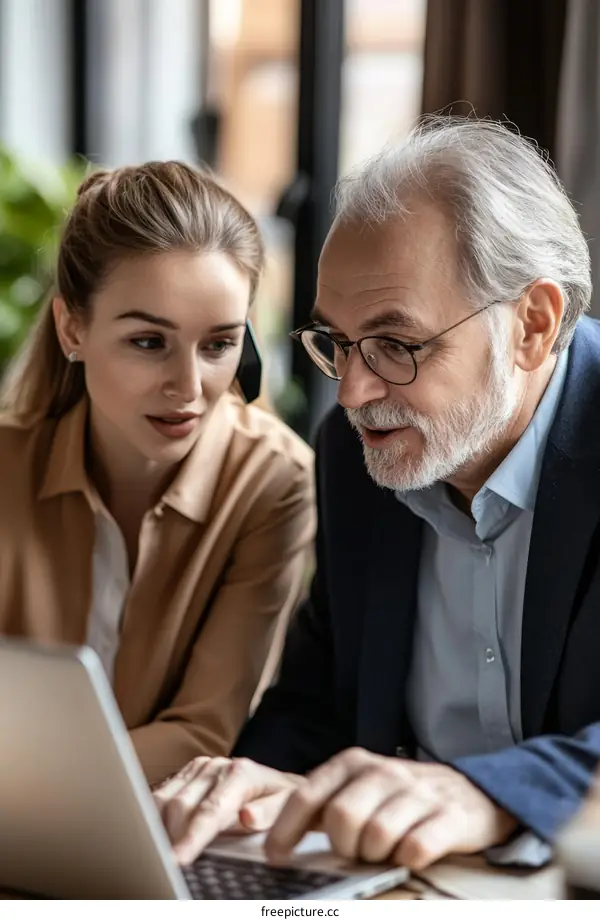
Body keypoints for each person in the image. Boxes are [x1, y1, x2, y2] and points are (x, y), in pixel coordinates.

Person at [151, 116, 600, 871]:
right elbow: (319, 700)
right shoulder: (353, 456)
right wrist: (263, 782)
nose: (355, 393)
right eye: (337, 341)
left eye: (397, 344)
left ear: (532, 324)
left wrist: (488, 793)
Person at [0, 161, 315, 787]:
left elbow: (202, 732)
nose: (189, 387)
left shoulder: (273, 482)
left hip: (156, 831)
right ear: (73, 328)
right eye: (149, 342)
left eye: (219, 344)